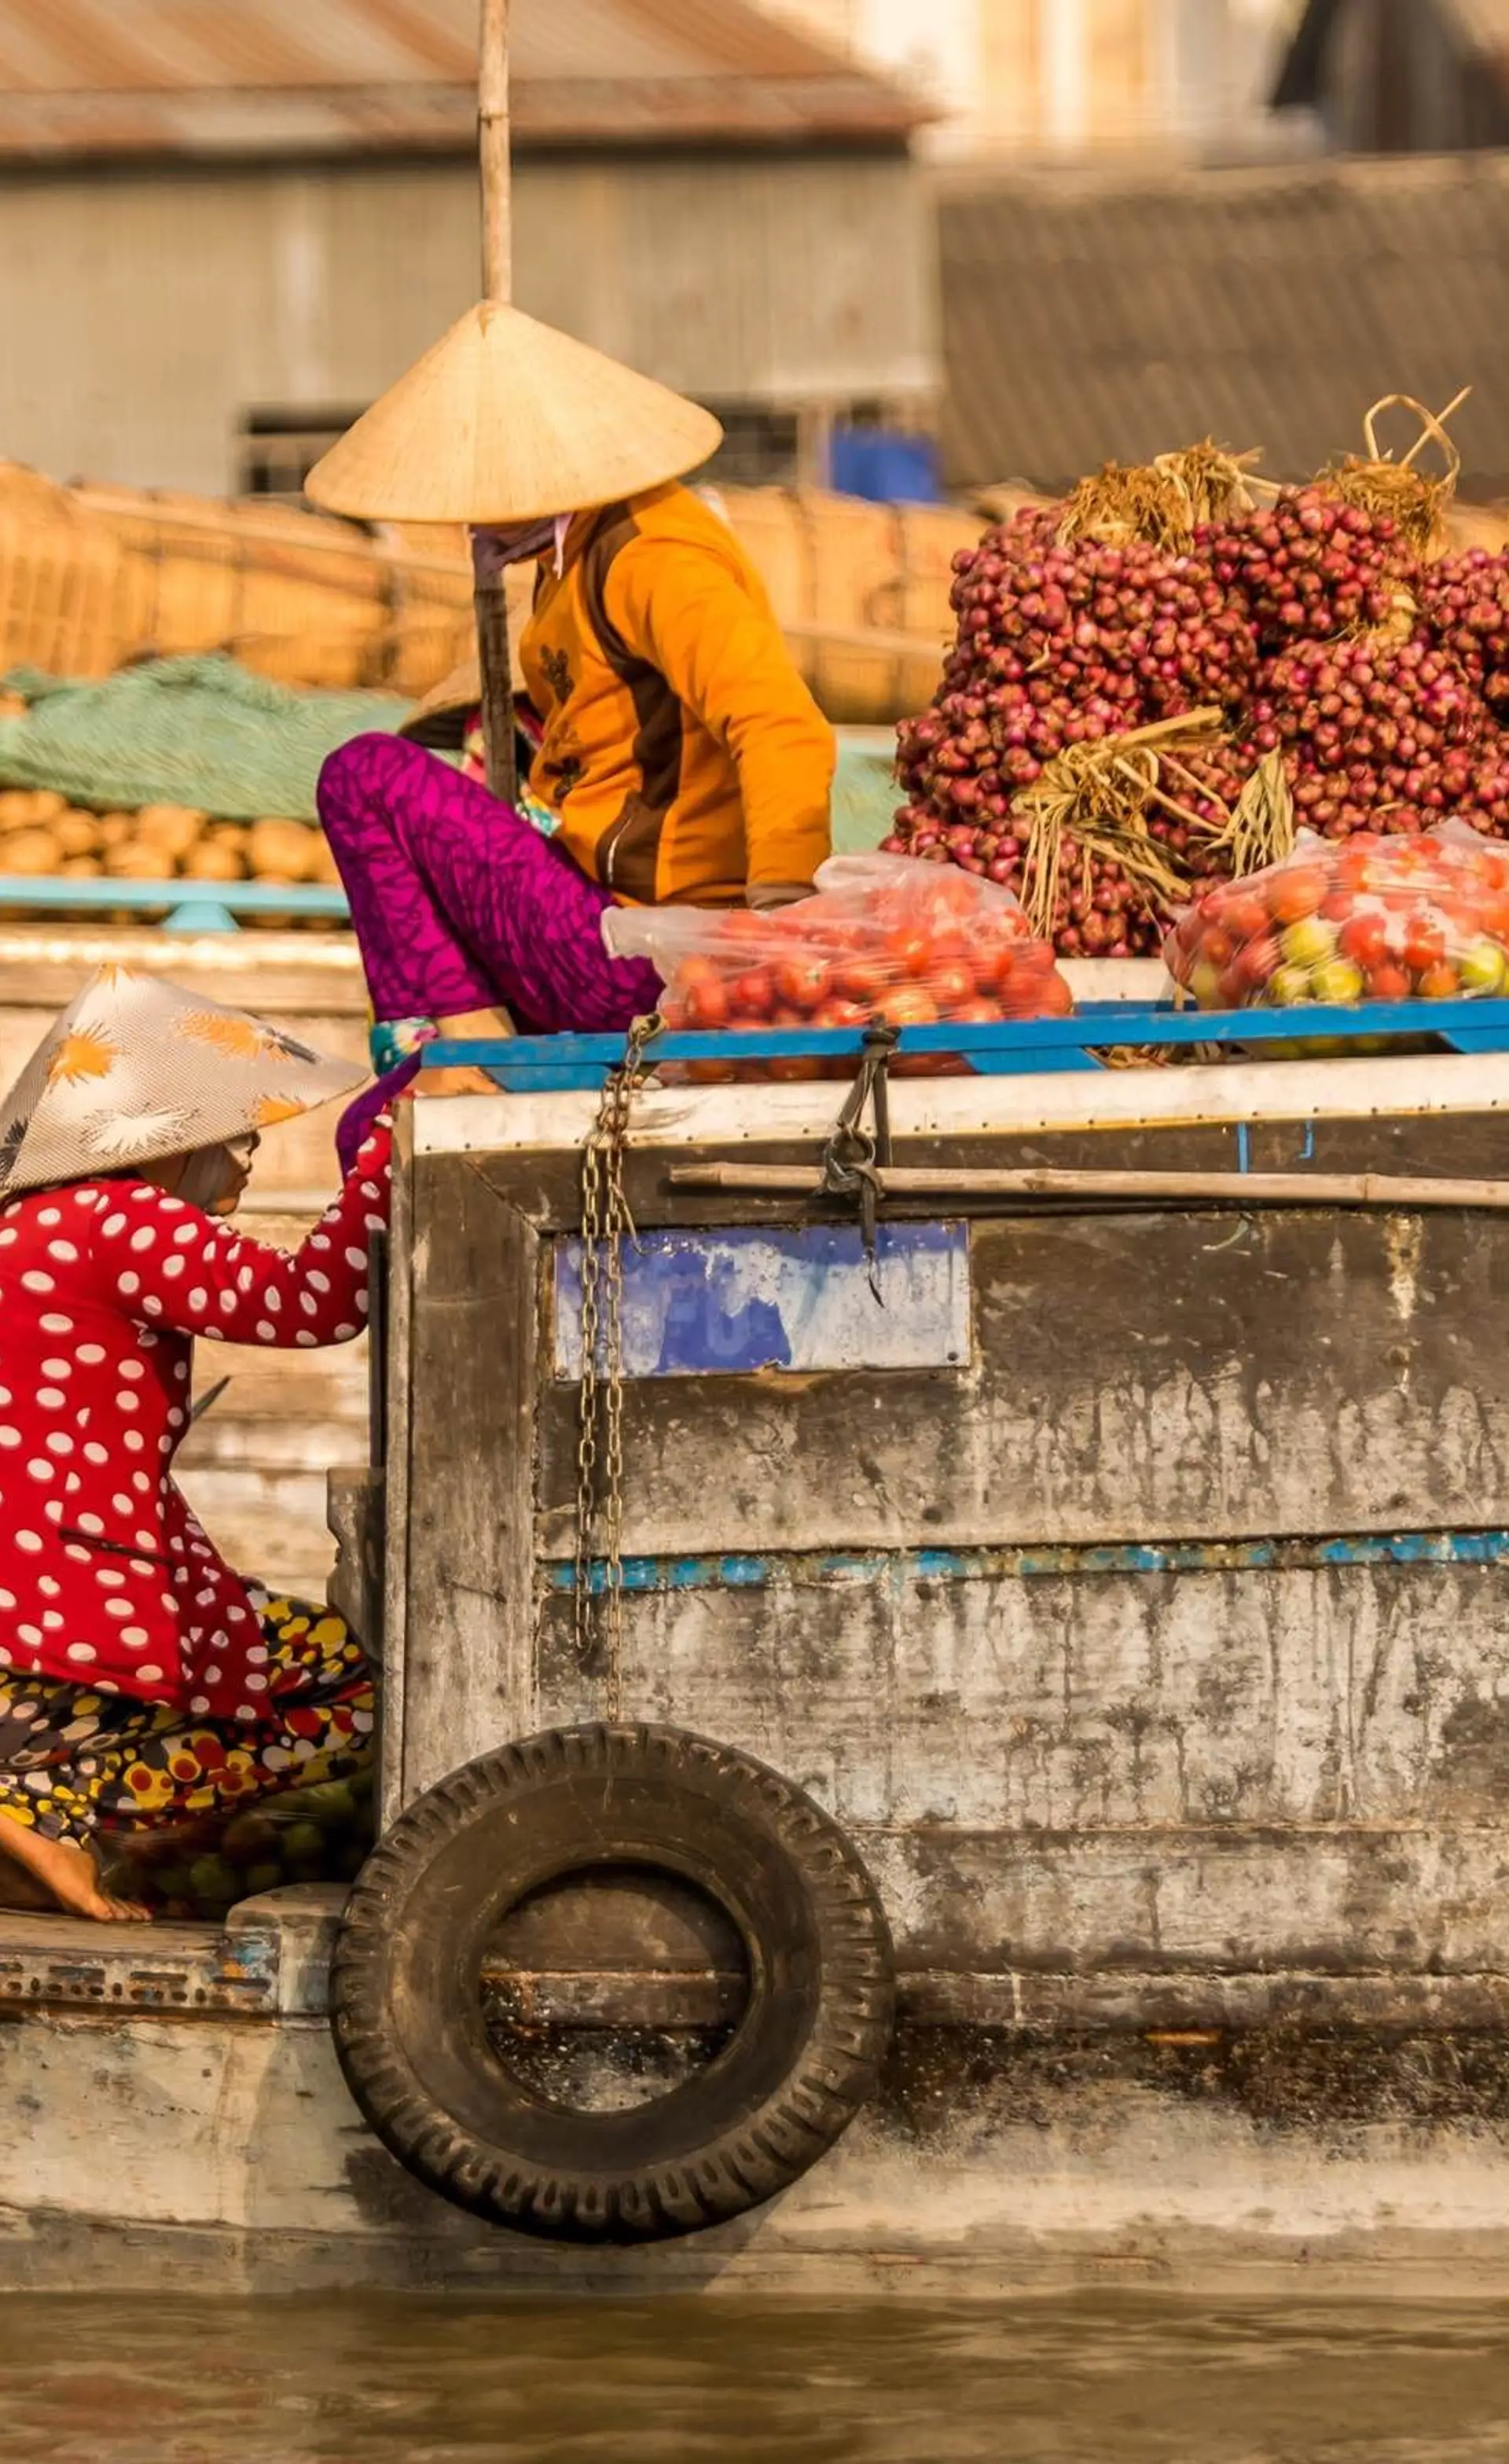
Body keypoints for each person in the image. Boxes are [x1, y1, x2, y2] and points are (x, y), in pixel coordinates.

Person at [0, 964, 391, 1922]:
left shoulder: (31, 1224)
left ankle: (34, 1812)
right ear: (167, 1142)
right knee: (351, 1698)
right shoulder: (120, 1220)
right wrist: (392, 1150)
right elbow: (311, 1305)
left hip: (40, 1558)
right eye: (238, 1132)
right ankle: (36, 1813)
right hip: (70, 1565)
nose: (252, 1157)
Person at [319, 472, 837, 1166]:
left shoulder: (652, 555)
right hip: (604, 926)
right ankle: (466, 1054)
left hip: (646, 952)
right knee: (366, 1131)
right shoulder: (572, 558)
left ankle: (478, 1051)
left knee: (364, 775)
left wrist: (782, 920)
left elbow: (782, 724)